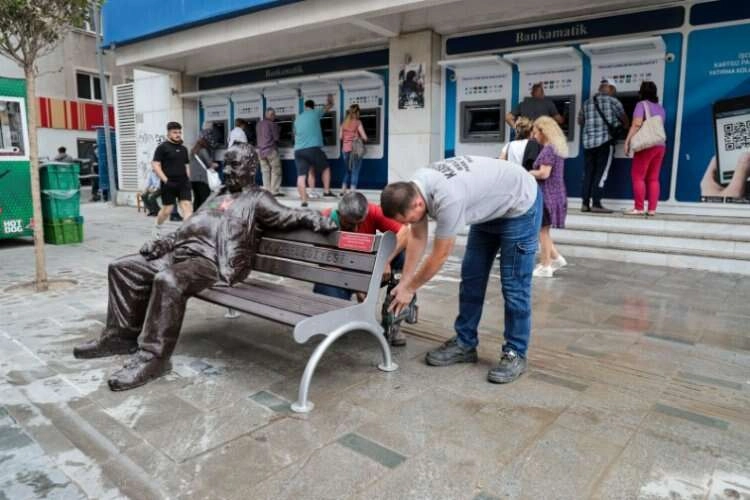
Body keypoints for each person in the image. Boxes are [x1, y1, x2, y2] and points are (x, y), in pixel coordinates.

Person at [72, 143, 338, 391]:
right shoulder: (217, 194)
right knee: (122, 267)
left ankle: (154, 357)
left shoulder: (258, 198)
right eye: (227, 164)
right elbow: (189, 225)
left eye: (235, 165)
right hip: (180, 253)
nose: (228, 170)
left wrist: (316, 217)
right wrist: (164, 242)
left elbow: (288, 215)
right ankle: (119, 337)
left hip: (211, 263)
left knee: (169, 281)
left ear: (251, 169)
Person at [381, 155, 542, 384]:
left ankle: (515, 352)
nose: (408, 223)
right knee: (471, 278)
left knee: (514, 287)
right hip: (490, 209)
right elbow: (416, 235)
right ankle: (465, 343)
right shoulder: (414, 188)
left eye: (407, 218)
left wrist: (412, 287)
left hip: (520, 206)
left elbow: (440, 255)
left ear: (417, 203)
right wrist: (405, 283)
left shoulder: (448, 198)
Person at [313, 192, 410, 345]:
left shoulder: (373, 211)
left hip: (370, 268)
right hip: (340, 274)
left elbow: (406, 232)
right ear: (340, 214)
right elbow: (327, 264)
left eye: (360, 222)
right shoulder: (326, 220)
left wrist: (385, 259)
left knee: (403, 257)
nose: (357, 228)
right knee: (334, 327)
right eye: (350, 225)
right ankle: (338, 315)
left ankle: (393, 322)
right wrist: (358, 284)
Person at [578, 80, 629, 213]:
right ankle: (596, 203)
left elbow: (580, 121)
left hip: (588, 143)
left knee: (588, 172)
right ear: (611, 88)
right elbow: (625, 120)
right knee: (601, 173)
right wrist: (622, 130)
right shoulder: (613, 101)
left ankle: (584, 203)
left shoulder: (587, 102)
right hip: (604, 142)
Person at [529, 116, 569, 278]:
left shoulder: (548, 149)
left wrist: (528, 173)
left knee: (542, 231)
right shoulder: (556, 148)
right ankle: (557, 259)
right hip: (556, 194)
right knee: (543, 230)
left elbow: (544, 173)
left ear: (543, 131)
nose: (534, 135)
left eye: (535, 131)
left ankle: (546, 266)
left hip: (547, 195)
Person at [624, 81, 667, 216]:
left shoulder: (641, 105)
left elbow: (637, 124)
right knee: (653, 178)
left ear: (641, 93)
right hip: (660, 145)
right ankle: (652, 209)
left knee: (638, 176)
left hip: (646, 145)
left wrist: (627, 141)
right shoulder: (661, 108)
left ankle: (639, 208)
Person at [152, 122, 193, 237]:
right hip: (169, 183)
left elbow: (186, 165)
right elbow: (155, 165)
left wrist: (189, 180)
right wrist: (165, 180)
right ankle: (157, 226)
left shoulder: (184, 149)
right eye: (175, 132)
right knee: (167, 210)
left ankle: (187, 234)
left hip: (183, 182)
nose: (178, 134)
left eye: (179, 132)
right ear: (169, 133)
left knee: (187, 206)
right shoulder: (162, 148)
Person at [294, 96, 336, 206]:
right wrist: (330, 101)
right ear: (313, 107)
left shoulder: (298, 118)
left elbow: (295, 133)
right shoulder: (315, 112)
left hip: (298, 150)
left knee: (302, 175)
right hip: (312, 148)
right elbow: (329, 106)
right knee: (326, 168)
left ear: (305, 107)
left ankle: (304, 199)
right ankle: (326, 191)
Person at [340, 104, 368, 194]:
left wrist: (347, 138)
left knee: (347, 170)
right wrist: (362, 138)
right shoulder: (358, 122)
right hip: (355, 149)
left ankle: (343, 190)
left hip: (345, 149)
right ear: (357, 112)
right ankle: (352, 191)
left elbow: (340, 137)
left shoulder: (343, 123)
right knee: (355, 170)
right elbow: (364, 137)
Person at [256, 108, 283, 196]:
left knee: (265, 171)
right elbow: (276, 138)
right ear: (271, 115)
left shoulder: (258, 124)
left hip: (260, 152)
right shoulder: (272, 124)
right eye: (274, 115)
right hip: (270, 150)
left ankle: (267, 191)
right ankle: (274, 191)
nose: (274, 117)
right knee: (276, 170)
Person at [189, 137, 218, 210]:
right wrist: (216, 164)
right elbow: (209, 163)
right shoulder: (203, 150)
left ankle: (195, 215)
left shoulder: (192, 152)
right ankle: (203, 214)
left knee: (197, 198)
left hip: (193, 179)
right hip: (202, 178)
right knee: (205, 198)